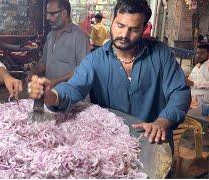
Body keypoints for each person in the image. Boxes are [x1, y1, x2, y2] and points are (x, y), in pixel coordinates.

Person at [28, 0, 191, 145]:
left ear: (144, 28)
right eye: (120, 25)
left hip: (153, 143)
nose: (124, 35)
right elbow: (74, 87)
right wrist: (52, 96)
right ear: (112, 21)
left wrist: (163, 121)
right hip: (113, 145)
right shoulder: (95, 60)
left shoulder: (161, 54)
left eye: (133, 29)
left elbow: (180, 92)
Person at [27, 0, 90, 87]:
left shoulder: (80, 37)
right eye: (47, 14)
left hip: (72, 96)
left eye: (52, 14)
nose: (47, 17)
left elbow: (83, 70)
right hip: (52, 94)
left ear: (64, 13)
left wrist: (56, 81)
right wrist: (33, 72)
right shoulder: (50, 36)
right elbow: (45, 61)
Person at [186, 44, 209, 108]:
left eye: (202, 53)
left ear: (208, 54)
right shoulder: (197, 66)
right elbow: (189, 81)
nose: (198, 55)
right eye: (197, 53)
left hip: (203, 105)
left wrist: (193, 83)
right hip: (190, 102)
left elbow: (191, 83)